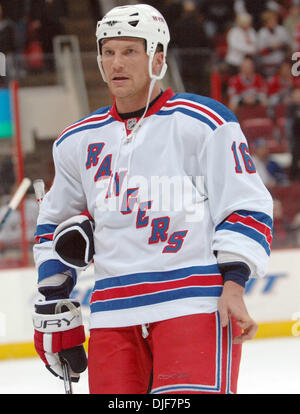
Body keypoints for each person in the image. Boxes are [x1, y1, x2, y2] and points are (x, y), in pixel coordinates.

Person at [32, 4, 273, 395]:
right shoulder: (76, 140)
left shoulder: (204, 122)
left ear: (158, 58)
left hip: (192, 305)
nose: (116, 63)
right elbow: (53, 225)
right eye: (108, 52)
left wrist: (234, 285)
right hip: (113, 312)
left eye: (130, 51)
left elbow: (246, 205)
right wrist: (53, 298)